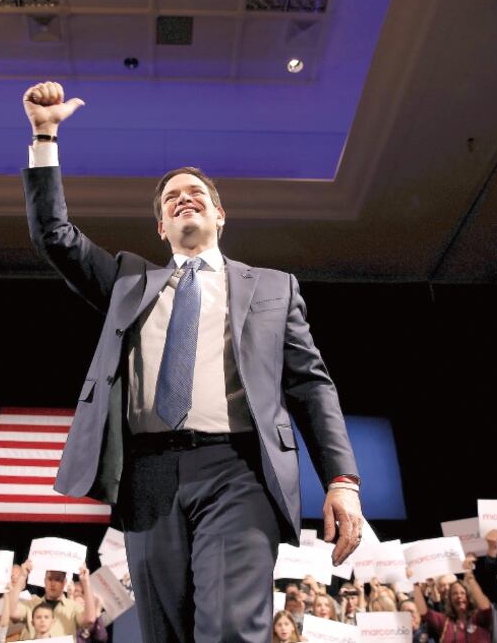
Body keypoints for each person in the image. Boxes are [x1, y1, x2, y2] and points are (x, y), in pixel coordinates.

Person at [20, 80, 363, 643]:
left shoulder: (274, 288)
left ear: (220, 215)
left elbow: (312, 386)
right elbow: (56, 237)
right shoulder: (130, 281)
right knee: (166, 634)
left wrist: (342, 480)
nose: (183, 197)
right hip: (147, 475)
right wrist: (45, 134)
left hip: (239, 470)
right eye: (171, 198)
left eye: (195, 192)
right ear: (161, 227)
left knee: (229, 629)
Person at [7, 562, 94, 639]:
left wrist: (86, 582)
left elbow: (89, 619)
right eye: (50, 579)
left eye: (57, 579)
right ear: (44, 581)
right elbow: (12, 613)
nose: (53, 583)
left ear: (64, 582)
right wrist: (22, 576)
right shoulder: (32, 604)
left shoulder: (73, 607)